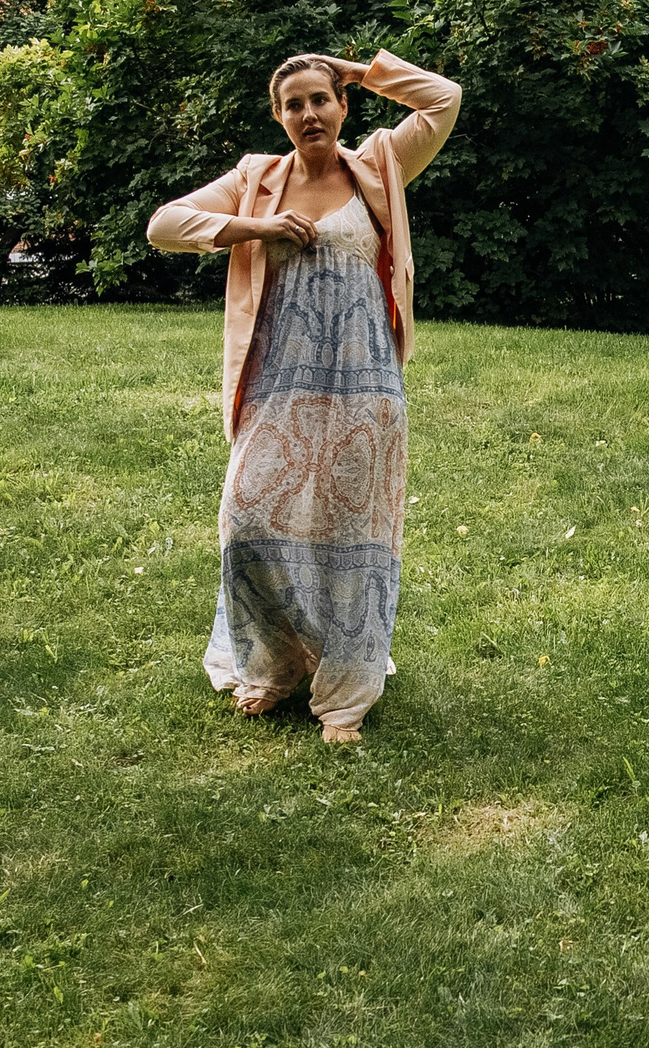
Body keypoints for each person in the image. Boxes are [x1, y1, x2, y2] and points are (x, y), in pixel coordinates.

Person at [148, 51, 462, 743]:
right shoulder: (255, 180)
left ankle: (346, 695)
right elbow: (164, 225)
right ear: (278, 116)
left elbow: (442, 98)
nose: (309, 114)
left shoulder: (381, 164)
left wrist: (358, 66)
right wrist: (254, 228)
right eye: (294, 104)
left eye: (321, 99)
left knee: (354, 537)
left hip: (364, 385)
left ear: (342, 105)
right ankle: (271, 666)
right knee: (249, 518)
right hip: (276, 382)